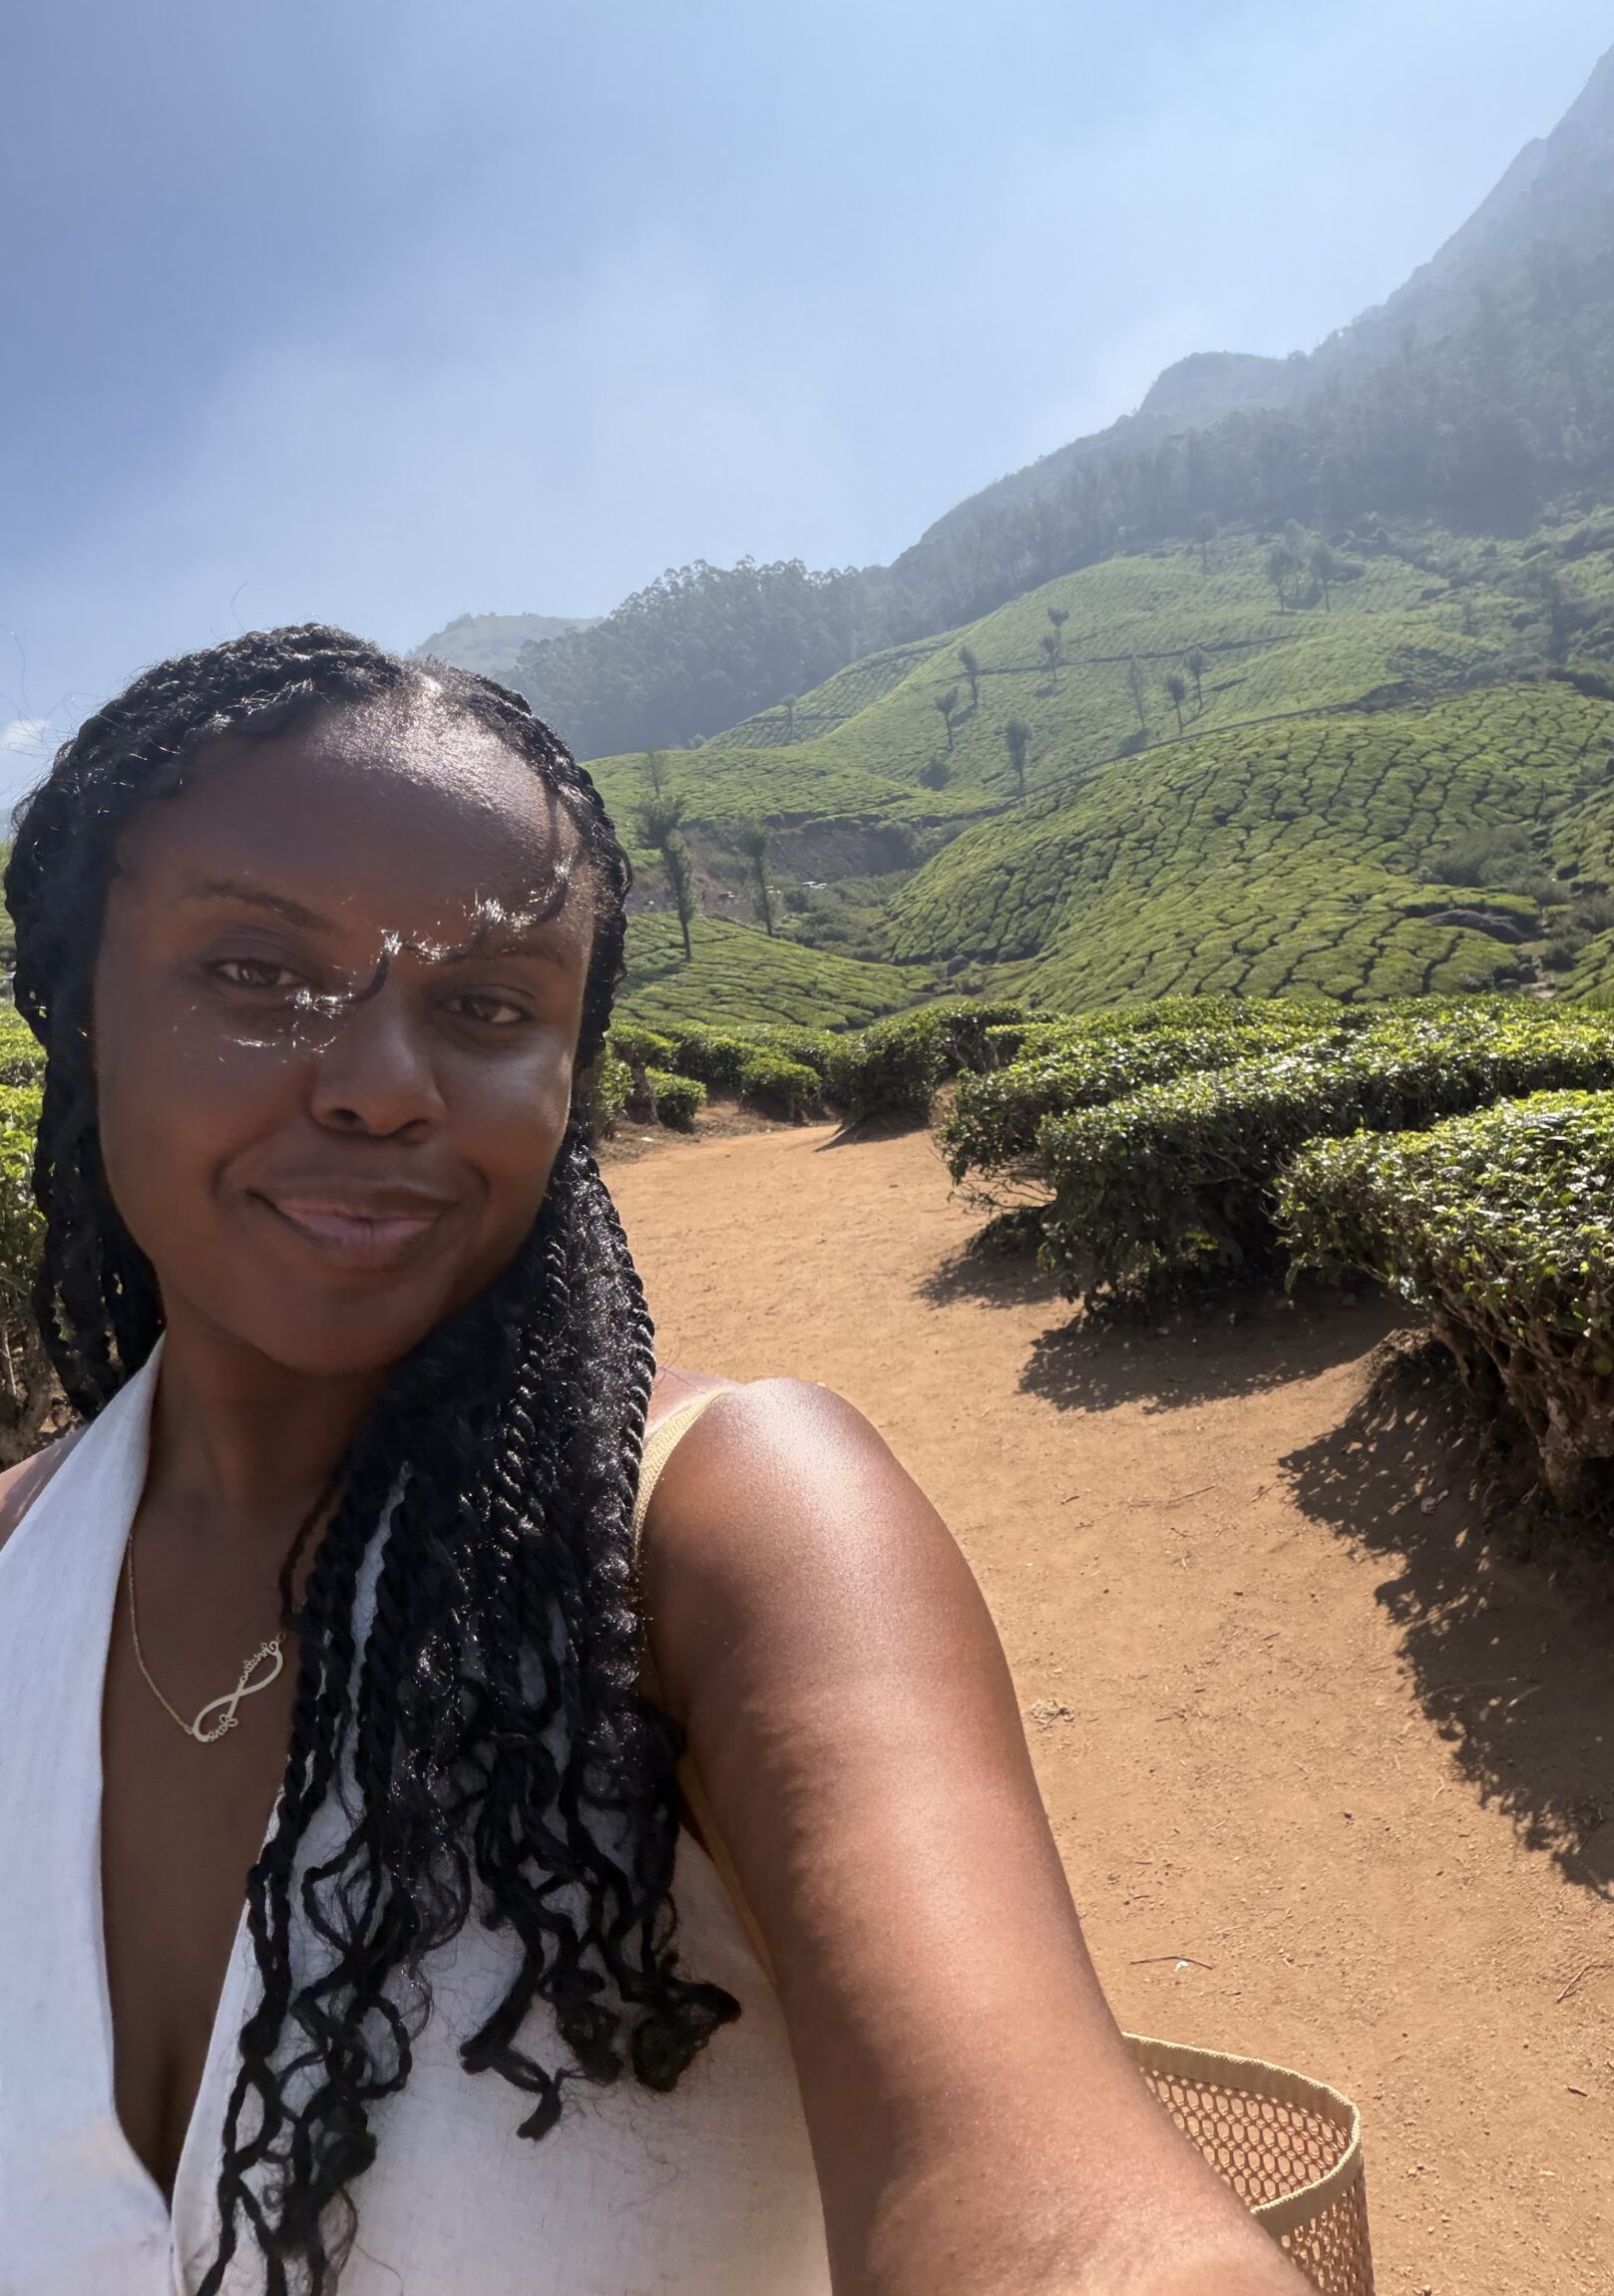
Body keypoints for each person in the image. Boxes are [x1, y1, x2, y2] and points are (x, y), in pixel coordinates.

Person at [0, 627, 1315, 2296]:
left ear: (566, 1076)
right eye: (256, 971)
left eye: (486, 1005)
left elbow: (1053, 2206)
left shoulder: (728, 1529)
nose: (389, 1086)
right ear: (81, 1003)